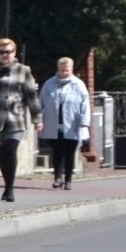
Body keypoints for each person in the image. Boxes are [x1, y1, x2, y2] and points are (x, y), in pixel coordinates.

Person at [0, 38, 42, 202]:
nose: (5, 55)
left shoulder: (23, 70)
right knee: (2, 153)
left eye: (8, 52)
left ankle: (10, 188)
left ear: (15, 52)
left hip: (15, 117)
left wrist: (37, 118)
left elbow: (32, 95)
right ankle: (6, 184)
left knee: (11, 150)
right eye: (1, 52)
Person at [38, 56, 90, 190]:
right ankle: (57, 178)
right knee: (57, 152)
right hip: (55, 124)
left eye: (66, 70)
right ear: (58, 69)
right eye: (62, 70)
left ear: (71, 69)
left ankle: (68, 179)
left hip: (73, 124)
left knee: (69, 153)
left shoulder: (78, 85)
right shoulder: (49, 84)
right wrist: (39, 120)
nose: (64, 73)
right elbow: (41, 103)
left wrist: (84, 121)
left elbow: (85, 104)